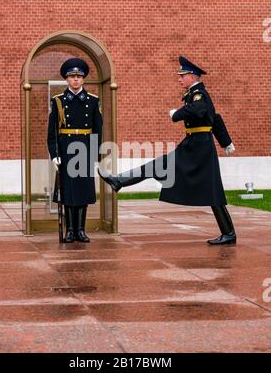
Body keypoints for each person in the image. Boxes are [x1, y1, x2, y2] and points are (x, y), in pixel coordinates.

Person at [98, 56, 236, 246]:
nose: (179, 79)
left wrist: (176, 114)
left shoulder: (199, 94)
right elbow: (215, 117)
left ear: (192, 76)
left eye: (182, 76)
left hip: (199, 148)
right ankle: (119, 181)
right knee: (167, 169)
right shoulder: (195, 93)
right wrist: (226, 142)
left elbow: (200, 109)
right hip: (195, 145)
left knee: (210, 190)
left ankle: (229, 233)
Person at [47, 57, 102, 243]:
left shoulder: (93, 101)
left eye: (79, 76)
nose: (76, 80)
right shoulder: (58, 101)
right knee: (68, 191)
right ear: (66, 79)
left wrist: (95, 157)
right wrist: (54, 155)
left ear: (84, 79)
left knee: (84, 190)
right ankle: (70, 230)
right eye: (72, 76)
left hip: (85, 149)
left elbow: (97, 131)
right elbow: (52, 133)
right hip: (66, 150)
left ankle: (80, 230)